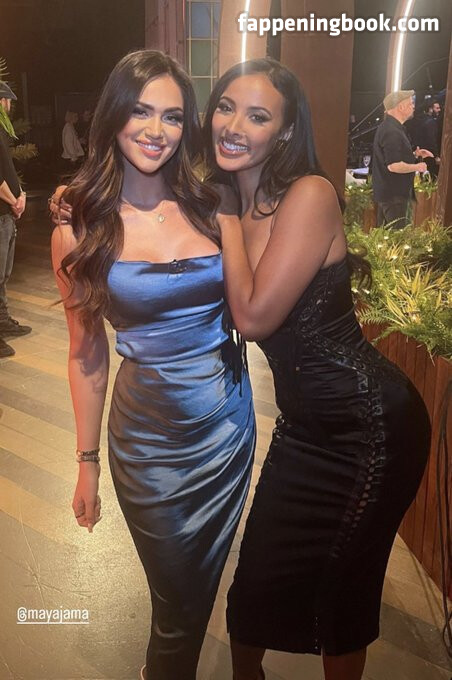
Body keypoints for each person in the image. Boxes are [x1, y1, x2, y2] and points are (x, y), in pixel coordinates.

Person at [202, 58, 431, 680]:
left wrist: (224, 216)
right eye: (225, 107)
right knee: (256, 581)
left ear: (284, 130)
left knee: (342, 590)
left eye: (257, 116)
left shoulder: (308, 194)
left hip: (371, 426)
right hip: (303, 427)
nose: (234, 126)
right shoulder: (224, 199)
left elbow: (253, 317)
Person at [51, 50, 255, 680]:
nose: (155, 130)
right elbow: (86, 353)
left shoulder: (212, 204)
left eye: (171, 116)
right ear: (113, 115)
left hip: (226, 429)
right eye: (140, 111)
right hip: (146, 445)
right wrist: (86, 463)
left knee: (199, 592)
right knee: (176, 603)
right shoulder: (79, 227)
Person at [0, 80, 31, 358]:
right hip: (1, 213)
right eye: (7, 100)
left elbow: (7, 169)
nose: (9, 105)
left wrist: (20, 195)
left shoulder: (2, 130)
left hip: (6, 214)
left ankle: (2, 321)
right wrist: (14, 201)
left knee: (3, 275)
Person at [372, 90, 432, 229]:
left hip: (389, 194)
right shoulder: (392, 131)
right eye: (411, 103)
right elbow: (393, 165)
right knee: (397, 237)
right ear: (400, 107)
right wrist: (418, 167)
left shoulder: (391, 128)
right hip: (394, 195)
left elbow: (393, 157)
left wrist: (415, 155)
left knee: (387, 236)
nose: (413, 106)